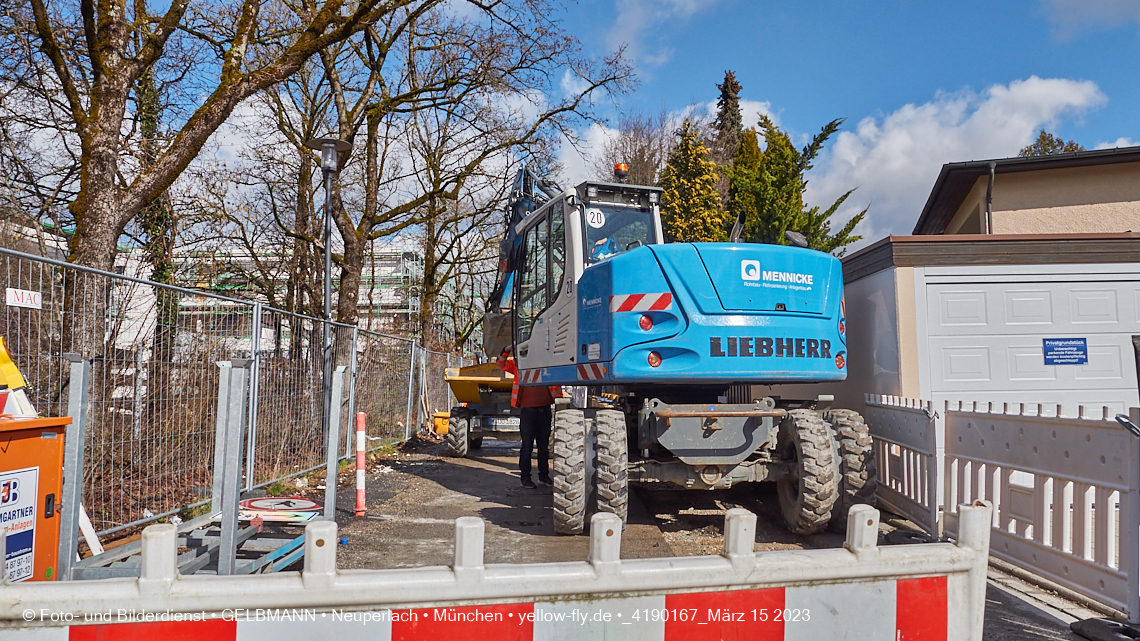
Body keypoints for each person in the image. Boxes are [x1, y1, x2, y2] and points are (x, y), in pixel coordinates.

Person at [496, 344, 561, 488]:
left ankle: (543, 476)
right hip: (528, 412)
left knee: (543, 447)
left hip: (545, 411)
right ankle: (525, 478)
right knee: (527, 447)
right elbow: (500, 363)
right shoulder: (519, 365)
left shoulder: (548, 364)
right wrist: (506, 350)